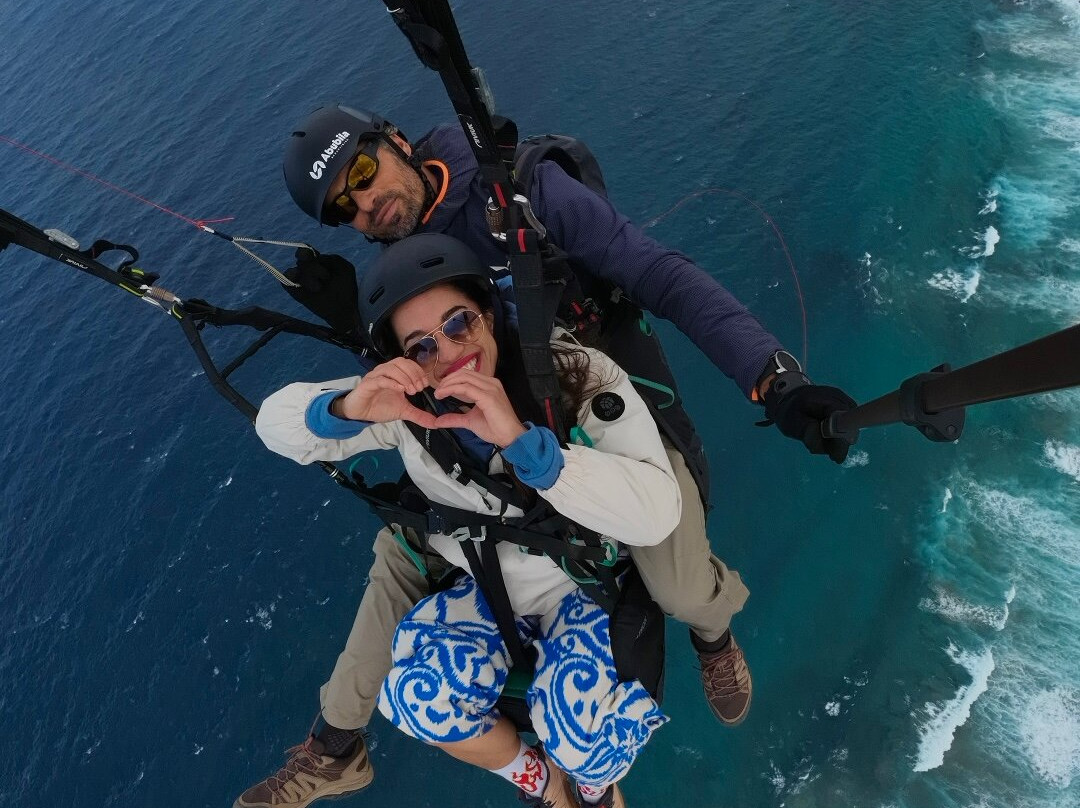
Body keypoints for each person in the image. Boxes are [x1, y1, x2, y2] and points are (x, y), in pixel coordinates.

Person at [233, 106, 856, 808]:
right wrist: (354, 340)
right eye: (345, 205)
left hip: (599, 414)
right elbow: (409, 373)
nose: (367, 203)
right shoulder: (406, 259)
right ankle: (337, 744)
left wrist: (773, 379)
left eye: (366, 173)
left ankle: (714, 635)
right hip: (489, 452)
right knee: (400, 552)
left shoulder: (521, 196)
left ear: (396, 141)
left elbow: (658, 274)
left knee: (677, 584)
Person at [255, 233, 680, 808]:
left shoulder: (573, 374)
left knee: (582, 734)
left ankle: (593, 790)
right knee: (409, 696)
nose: (450, 351)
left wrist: (530, 448)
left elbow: (657, 513)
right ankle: (543, 783)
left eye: (459, 323)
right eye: (422, 346)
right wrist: (345, 409)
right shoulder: (415, 408)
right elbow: (273, 425)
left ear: (488, 313)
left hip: (582, 586)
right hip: (492, 589)